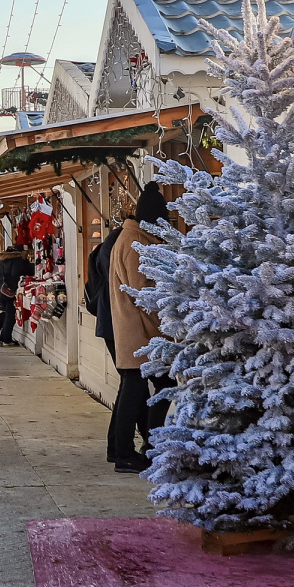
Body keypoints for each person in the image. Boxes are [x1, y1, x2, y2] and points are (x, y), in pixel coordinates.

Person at [109, 182, 170, 473]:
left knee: (133, 390)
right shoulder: (135, 243)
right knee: (153, 387)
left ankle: (123, 449)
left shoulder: (133, 237)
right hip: (139, 333)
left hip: (135, 331)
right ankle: (132, 452)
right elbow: (144, 292)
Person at [86, 218, 124, 364]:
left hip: (106, 316)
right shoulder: (114, 251)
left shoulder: (103, 250)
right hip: (113, 316)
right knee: (130, 374)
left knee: (126, 372)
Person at [0, 237, 34, 346]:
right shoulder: (17, 260)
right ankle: (5, 339)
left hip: (1, 289)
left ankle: (0, 337)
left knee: (7, 313)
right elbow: (16, 276)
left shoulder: (4, 259)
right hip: (9, 291)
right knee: (11, 315)